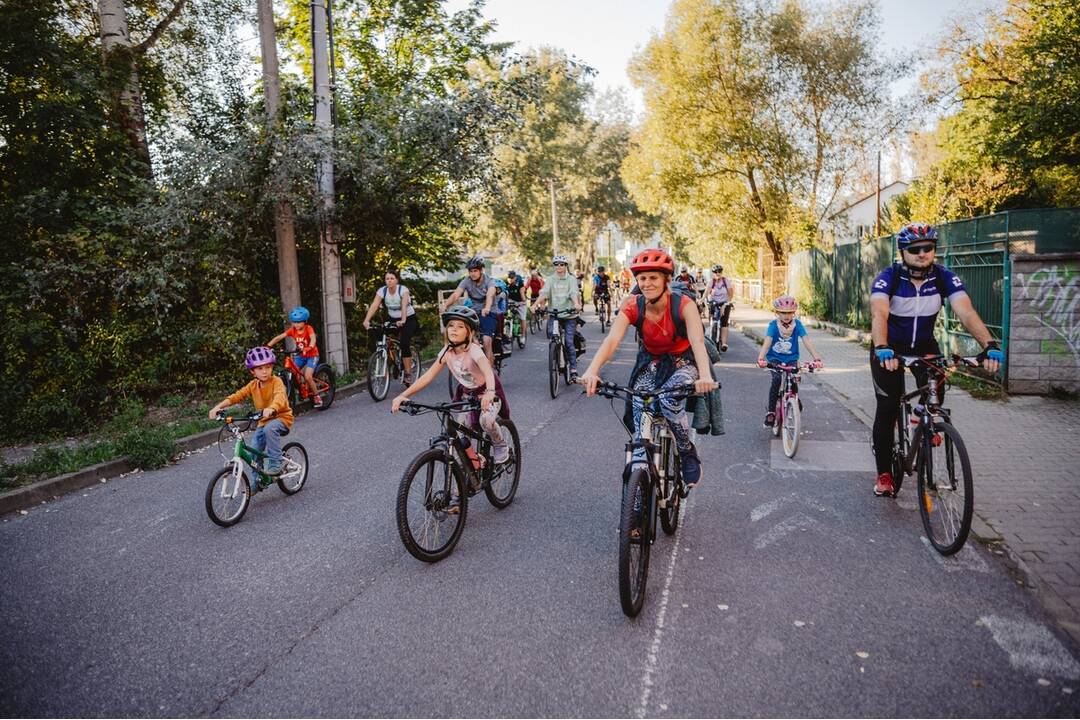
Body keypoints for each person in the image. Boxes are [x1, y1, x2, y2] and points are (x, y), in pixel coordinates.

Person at [868, 223, 1003, 497]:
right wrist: (882, 346)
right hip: (889, 348)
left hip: (925, 347)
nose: (922, 254)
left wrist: (989, 345)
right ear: (902, 252)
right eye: (915, 249)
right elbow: (879, 314)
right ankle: (884, 473)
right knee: (888, 407)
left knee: (936, 386)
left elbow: (966, 312)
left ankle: (923, 419)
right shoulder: (888, 277)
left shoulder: (944, 277)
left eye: (928, 248)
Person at [580, 248, 718, 491]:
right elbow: (612, 340)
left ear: (666, 280)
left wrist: (705, 376)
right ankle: (640, 464)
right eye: (642, 278)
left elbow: (697, 342)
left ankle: (686, 450)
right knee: (639, 402)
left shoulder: (684, 305)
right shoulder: (633, 305)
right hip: (651, 360)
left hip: (682, 360)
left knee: (668, 400)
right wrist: (592, 370)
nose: (647, 283)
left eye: (653, 277)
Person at [392, 306, 510, 508]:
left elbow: (488, 371)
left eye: (460, 326)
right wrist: (403, 395)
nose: (453, 330)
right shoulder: (446, 352)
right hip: (466, 395)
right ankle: (461, 486)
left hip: (487, 393)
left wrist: (490, 391)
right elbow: (427, 377)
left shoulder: (474, 350)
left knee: (486, 420)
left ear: (469, 332)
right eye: (450, 326)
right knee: (457, 442)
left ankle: (500, 445)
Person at [208, 346, 294, 480]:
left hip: (282, 418)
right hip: (263, 421)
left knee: (270, 429)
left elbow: (280, 397)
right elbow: (236, 396)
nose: (265, 371)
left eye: (268, 367)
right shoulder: (253, 385)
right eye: (260, 368)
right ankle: (258, 480)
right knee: (254, 450)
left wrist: (272, 408)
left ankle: (276, 462)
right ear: (253, 371)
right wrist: (217, 407)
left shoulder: (277, 382)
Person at [756, 295, 823, 427]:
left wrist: (817, 358)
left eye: (790, 313)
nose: (787, 316)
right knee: (776, 379)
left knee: (794, 378)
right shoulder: (773, 326)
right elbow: (768, 341)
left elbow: (806, 341)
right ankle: (771, 412)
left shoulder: (797, 325)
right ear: (777, 313)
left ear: (794, 313)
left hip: (791, 358)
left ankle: (795, 398)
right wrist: (761, 358)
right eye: (783, 313)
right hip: (775, 358)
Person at [531, 255, 584, 382]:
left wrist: (576, 304)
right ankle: (556, 356)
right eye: (557, 264)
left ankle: (573, 370)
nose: (559, 267)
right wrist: (535, 304)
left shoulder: (571, 279)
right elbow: (544, 293)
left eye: (562, 264)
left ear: (566, 266)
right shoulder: (551, 279)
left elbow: (573, 293)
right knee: (551, 336)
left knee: (569, 342)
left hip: (569, 315)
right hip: (555, 315)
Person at [361, 270, 419, 385]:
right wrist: (366, 320)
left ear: (396, 280)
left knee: (404, 343)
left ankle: (408, 373)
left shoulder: (403, 290)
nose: (389, 281)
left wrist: (402, 320)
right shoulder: (382, 291)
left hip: (408, 319)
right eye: (387, 279)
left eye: (392, 278)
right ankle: (395, 360)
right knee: (380, 334)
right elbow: (374, 305)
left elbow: (403, 306)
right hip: (392, 319)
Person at [441, 256, 498, 366]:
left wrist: (487, 307)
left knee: (486, 340)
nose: (473, 274)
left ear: (481, 270)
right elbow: (456, 294)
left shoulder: (489, 281)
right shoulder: (467, 281)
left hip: (488, 312)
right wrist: (445, 305)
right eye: (471, 271)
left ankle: (489, 372)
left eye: (475, 271)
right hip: (474, 312)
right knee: (467, 337)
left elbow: (490, 295)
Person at [267, 306, 322, 406]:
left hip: (312, 355)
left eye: (298, 322)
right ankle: (300, 390)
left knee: (307, 376)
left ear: (305, 321)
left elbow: (313, 338)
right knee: (292, 372)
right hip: (300, 355)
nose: (296, 324)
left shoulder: (308, 328)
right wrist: (267, 346)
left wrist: (309, 347)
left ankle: (316, 396)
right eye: (294, 322)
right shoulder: (292, 330)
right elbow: (279, 337)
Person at [709, 265, 733, 352]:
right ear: (713, 273)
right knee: (714, 320)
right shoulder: (712, 281)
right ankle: (712, 338)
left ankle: (723, 343)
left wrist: (727, 303)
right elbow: (707, 291)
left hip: (725, 303)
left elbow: (730, 293)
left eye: (719, 271)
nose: (718, 273)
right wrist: (702, 299)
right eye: (716, 272)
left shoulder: (726, 281)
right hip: (715, 302)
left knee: (724, 323)